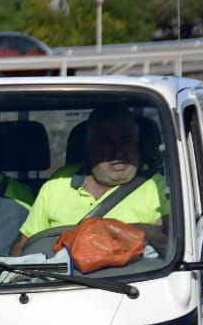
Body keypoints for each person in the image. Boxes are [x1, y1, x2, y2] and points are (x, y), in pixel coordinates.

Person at [12, 105, 168, 255]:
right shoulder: (59, 182)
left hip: (131, 281)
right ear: (90, 146)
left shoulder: (157, 186)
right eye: (107, 142)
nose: (118, 151)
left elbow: (169, 244)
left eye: (126, 140)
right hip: (59, 280)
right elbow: (24, 245)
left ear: (137, 144)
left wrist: (141, 231)